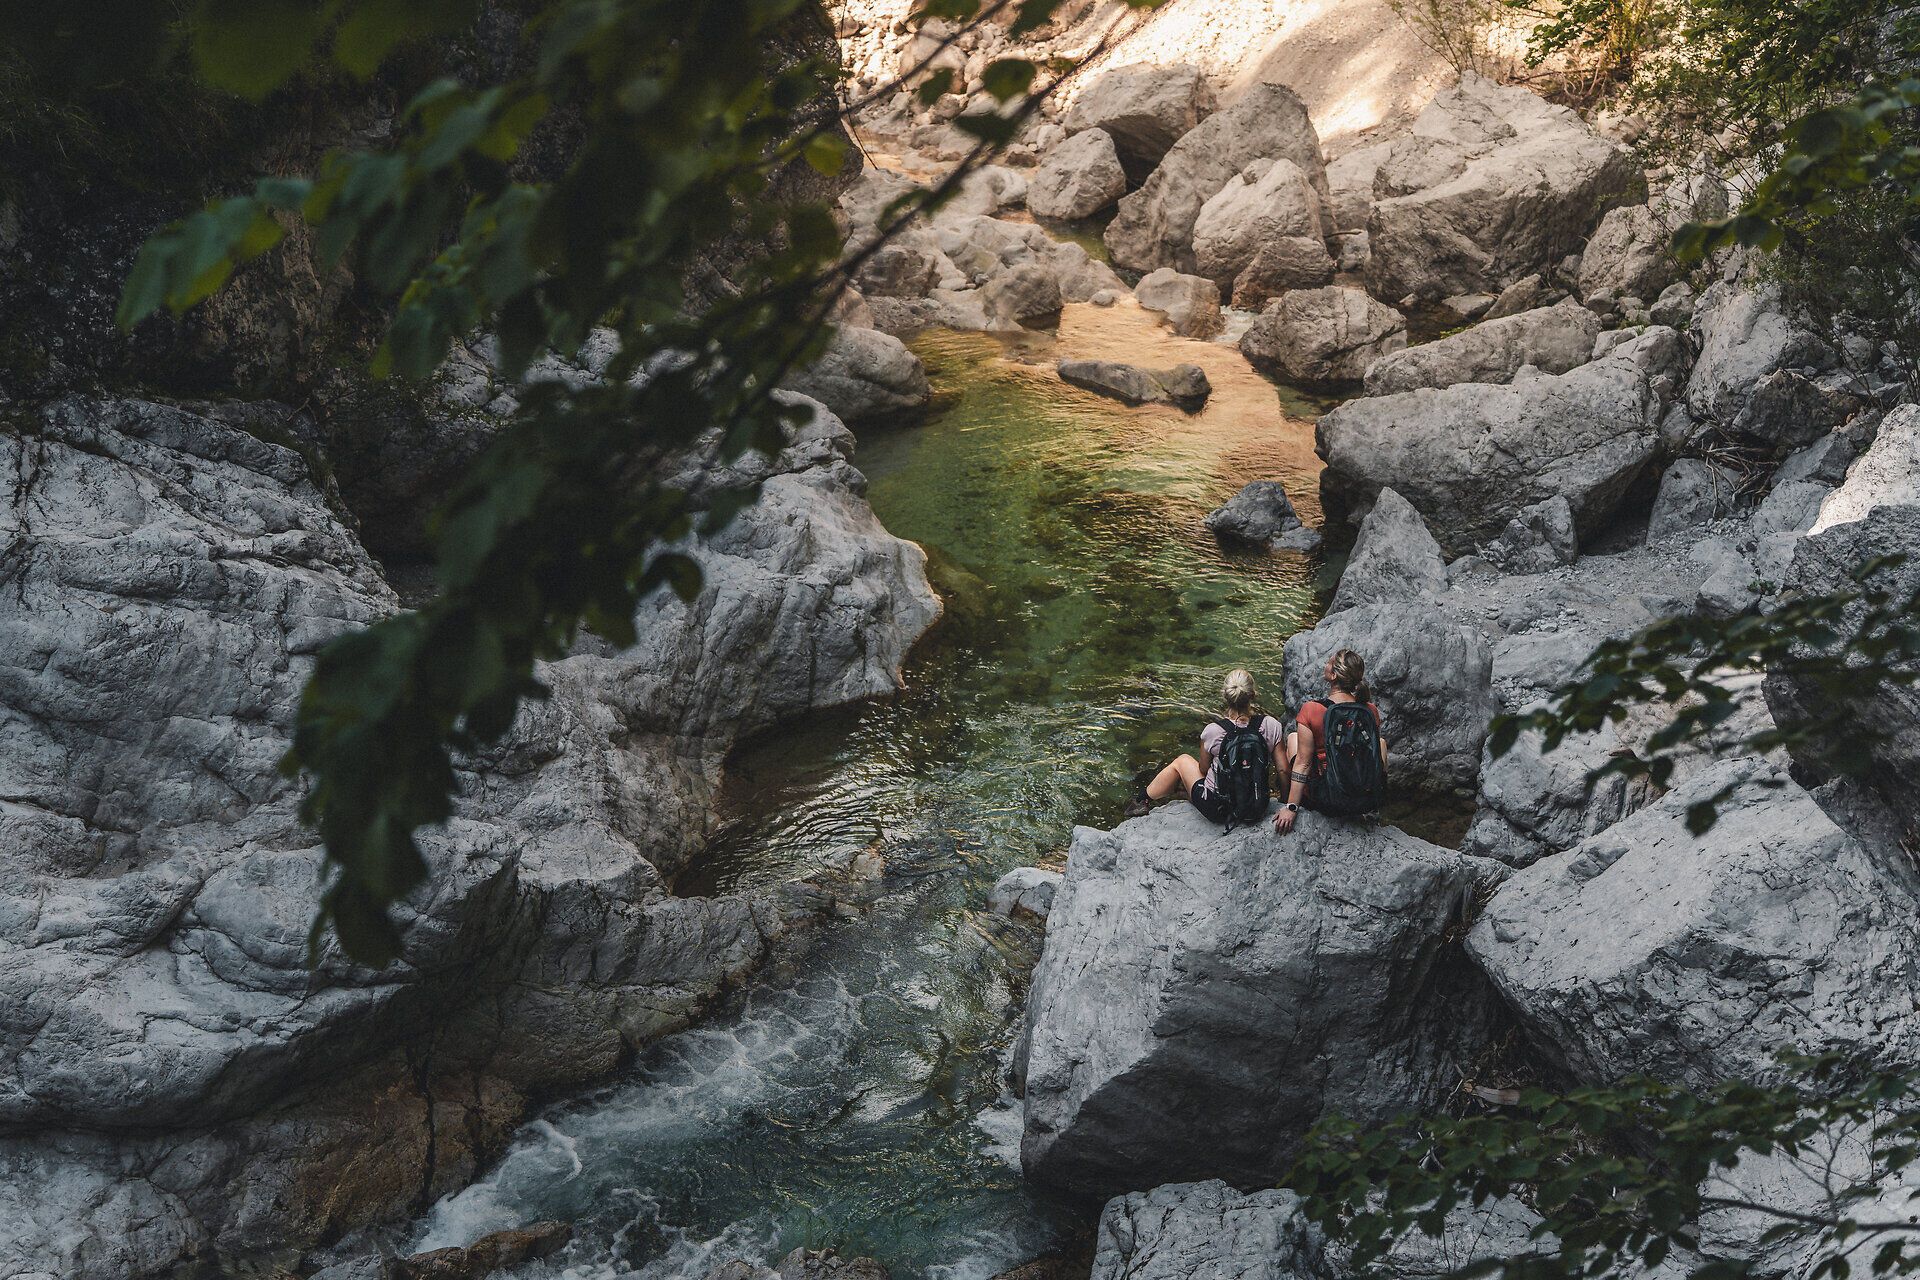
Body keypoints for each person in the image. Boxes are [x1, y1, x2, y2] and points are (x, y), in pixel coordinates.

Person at [1124, 669, 1288, 826]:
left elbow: (1203, 769)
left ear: (1225, 695)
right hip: (1257, 807)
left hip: (1219, 809)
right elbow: (1283, 770)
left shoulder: (1213, 731)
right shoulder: (1271, 725)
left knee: (1182, 761)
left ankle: (1141, 800)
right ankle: (1179, 793)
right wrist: (1285, 803)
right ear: (1253, 695)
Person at [1273, 648, 1388, 834]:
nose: (1325, 664)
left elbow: (1303, 763)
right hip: (1363, 799)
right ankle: (1375, 806)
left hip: (1327, 800)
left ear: (1333, 675)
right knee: (1380, 743)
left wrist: (1291, 807)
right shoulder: (1370, 710)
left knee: (1294, 738)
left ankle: (1289, 798)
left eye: (1328, 662)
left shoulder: (1311, 710)